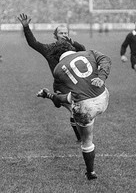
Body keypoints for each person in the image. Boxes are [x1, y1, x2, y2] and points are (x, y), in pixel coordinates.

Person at [37, 41, 111, 180]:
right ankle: (51, 96)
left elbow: (60, 101)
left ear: (56, 56)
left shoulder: (57, 69)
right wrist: (101, 78)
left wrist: (53, 97)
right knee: (76, 97)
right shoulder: (90, 52)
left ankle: (91, 172)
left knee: (87, 140)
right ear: (71, 49)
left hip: (84, 107)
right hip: (103, 97)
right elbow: (106, 59)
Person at [17, 13, 86, 142]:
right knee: (74, 110)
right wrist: (26, 27)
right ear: (56, 35)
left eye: (66, 33)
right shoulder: (49, 49)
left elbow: (84, 50)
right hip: (61, 86)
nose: (64, 35)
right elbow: (33, 43)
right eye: (61, 33)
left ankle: (48, 95)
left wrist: (74, 43)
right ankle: (81, 139)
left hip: (76, 84)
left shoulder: (72, 47)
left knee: (79, 110)